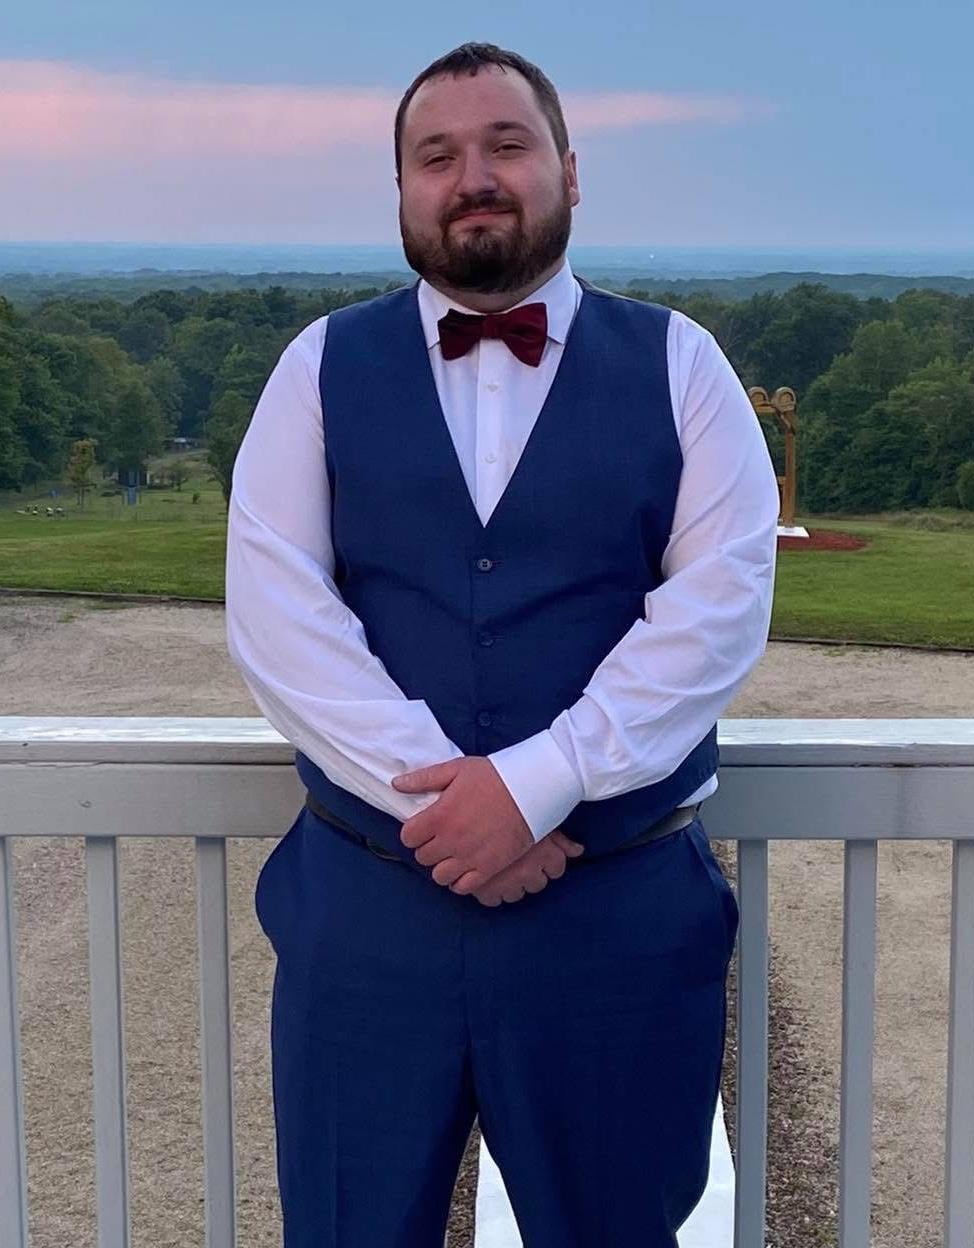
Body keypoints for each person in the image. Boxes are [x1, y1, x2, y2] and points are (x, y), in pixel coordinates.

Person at [225, 41, 778, 1248]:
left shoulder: (683, 365)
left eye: (506, 145)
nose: (472, 177)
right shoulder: (317, 368)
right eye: (437, 156)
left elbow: (718, 610)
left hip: (615, 924)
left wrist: (536, 785)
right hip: (370, 925)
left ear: (570, 172)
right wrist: (454, 813)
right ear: (403, 191)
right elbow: (278, 615)